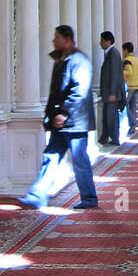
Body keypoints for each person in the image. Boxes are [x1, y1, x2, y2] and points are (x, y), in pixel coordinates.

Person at [20, 25, 98, 211]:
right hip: (61, 121)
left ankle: (89, 198)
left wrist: (64, 113)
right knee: (51, 157)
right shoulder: (62, 60)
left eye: (57, 38)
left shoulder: (79, 61)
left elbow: (79, 91)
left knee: (79, 160)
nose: (53, 41)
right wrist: (52, 114)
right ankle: (37, 195)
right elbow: (57, 92)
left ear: (68, 40)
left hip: (74, 122)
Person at [97, 30, 125, 147]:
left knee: (111, 117)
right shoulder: (110, 53)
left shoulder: (113, 53)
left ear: (108, 41)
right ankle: (104, 137)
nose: (100, 43)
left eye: (102, 41)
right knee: (106, 116)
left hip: (111, 93)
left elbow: (115, 74)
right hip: (108, 93)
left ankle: (114, 138)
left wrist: (113, 92)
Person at [122, 42, 138, 136]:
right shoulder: (135, 59)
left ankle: (133, 122)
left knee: (124, 105)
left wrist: (120, 72)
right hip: (137, 85)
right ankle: (132, 127)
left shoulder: (127, 60)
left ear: (126, 50)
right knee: (132, 107)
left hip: (130, 86)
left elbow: (128, 72)